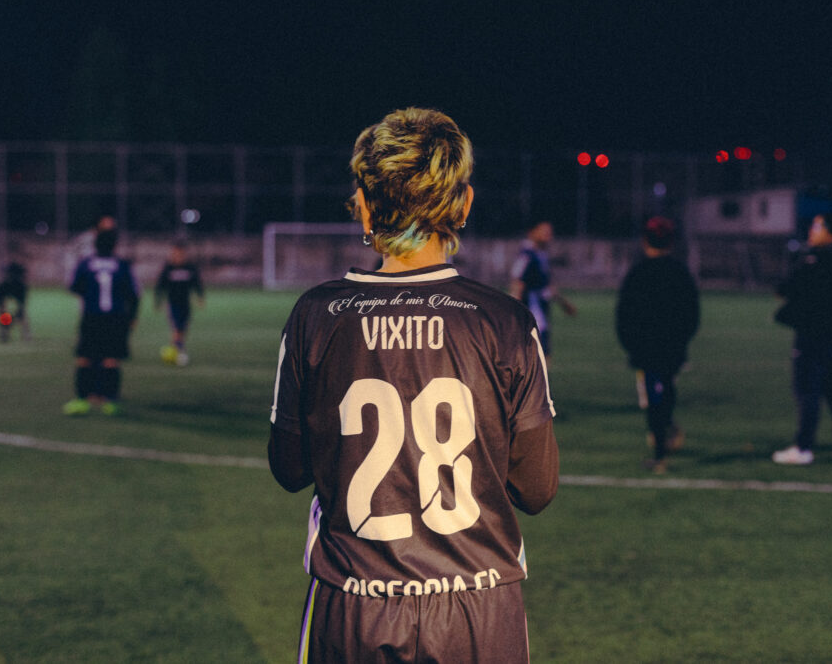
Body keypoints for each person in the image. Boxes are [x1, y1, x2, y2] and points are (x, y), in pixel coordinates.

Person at [268, 107, 559, 664]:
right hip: (479, 606)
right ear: (463, 204)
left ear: (364, 203)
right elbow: (537, 488)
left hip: (353, 603)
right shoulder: (505, 321)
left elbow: (290, 469)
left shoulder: (316, 316)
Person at [772, 212, 832, 465]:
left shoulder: (815, 259)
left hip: (813, 332)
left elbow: (785, 288)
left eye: (817, 227)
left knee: (807, 389)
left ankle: (803, 447)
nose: (812, 231)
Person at [615, 216, 700, 474]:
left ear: (644, 241)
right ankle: (664, 433)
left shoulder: (638, 273)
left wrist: (630, 345)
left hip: (645, 347)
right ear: (671, 242)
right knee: (667, 388)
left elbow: (623, 314)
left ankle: (659, 448)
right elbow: (692, 313)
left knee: (652, 395)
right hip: (672, 346)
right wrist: (682, 340)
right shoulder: (680, 272)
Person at [63, 228, 140, 416]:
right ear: (114, 246)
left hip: (91, 317)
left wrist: (90, 293)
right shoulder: (121, 265)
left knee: (84, 358)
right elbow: (133, 293)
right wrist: (132, 317)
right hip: (115, 318)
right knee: (111, 360)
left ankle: (82, 400)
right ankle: (110, 402)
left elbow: (74, 286)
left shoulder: (86, 263)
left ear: (95, 245)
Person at [508, 220, 576, 364]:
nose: (548, 235)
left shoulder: (541, 254)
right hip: (533, 310)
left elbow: (548, 286)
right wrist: (512, 311)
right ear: (532, 232)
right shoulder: (527, 255)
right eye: (544, 231)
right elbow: (517, 281)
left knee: (541, 354)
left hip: (541, 309)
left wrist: (564, 303)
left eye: (550, 232)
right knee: (540, 354)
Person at [154, 240, 204, 366]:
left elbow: (197, 283)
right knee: (176, 328)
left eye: (180, 253)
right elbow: (160, 285)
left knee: (182, 328)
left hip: (186, 303)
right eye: (175, 253)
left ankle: (176, 349)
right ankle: (179, 351)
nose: (178, 256)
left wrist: (200, 297)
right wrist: (158, 301)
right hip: (173, 303)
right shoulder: (168, 267)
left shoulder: (190, 267)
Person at [0, 261, 31, 342]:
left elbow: (21, 307)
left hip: (16, 297)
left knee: (21, 314)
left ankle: (25, 333)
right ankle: (4, 332)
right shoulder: (1, 287)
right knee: (4, 315)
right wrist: (7, 319)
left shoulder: (21, 287)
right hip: (5, 299)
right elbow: (1, 306)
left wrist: (15, 316)